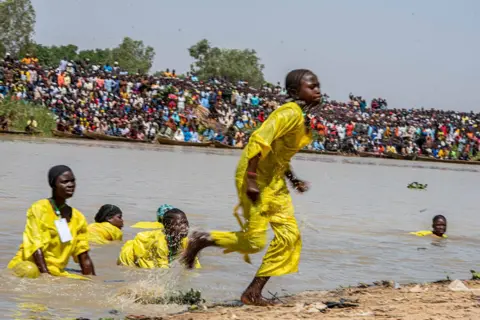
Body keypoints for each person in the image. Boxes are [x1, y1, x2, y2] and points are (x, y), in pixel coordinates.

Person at [182, 69, 321, 306]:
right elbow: (259, 140)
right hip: (254, 177)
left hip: (275, 181)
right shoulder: (288, 113)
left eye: (318, 86)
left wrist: (293, 179)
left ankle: (252, 293)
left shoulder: (301, 116)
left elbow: (278, 154)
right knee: (254, 242)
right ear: (295, 92)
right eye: (312, 87)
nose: (318, 90)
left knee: (290, 238)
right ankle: (201, 239)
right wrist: (252, 179)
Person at [7, 165, 95, 279]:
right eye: (65, 182)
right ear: (53, 185)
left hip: (56, 271)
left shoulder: (78, 217)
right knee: (31, 270)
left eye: (73, 181)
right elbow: (35, 245)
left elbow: (83, 254)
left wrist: (93, 281)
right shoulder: (39, 208)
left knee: (84, 280)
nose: (71, 185)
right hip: (29, 266)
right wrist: (46, 276)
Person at [118, 205, 200, 269]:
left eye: (186, 223)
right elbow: (162, 268)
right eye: (179, 224)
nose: (184, 227)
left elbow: (194, 262)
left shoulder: (186, 241)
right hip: (129, 256)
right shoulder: (161, 242)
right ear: (168, 227)